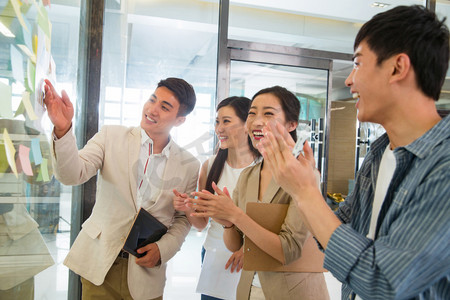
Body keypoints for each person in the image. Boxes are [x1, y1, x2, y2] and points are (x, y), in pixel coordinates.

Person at [257, 5, 450, 300]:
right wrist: (301, 186)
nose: (349, 81)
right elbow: (339, 229)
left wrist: (306, 193)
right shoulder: (379, 152)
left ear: (398, 67)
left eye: (358, 64)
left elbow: (383, 282)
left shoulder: (444, 164)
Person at [43, 77, 200, 300]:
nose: (152, 110)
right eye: (152, 100)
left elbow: (183, 219)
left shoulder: (189, 165)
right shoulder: (111, 136)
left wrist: (163, 249)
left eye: (165, 107)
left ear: (180, 120)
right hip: (101, 265)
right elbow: (72, 174)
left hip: (146, 271)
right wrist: (63, 128)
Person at [188, 86, 329, 300]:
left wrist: (235, 215)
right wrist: (226, 220)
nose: (256, 120)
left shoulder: (304, 175)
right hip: (247, 289)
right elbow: (237, 244)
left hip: (291, 293)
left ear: (292, 124)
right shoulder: (249, 175)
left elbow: (287, 250)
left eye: (268, 113)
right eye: (252, 113)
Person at [173, 96, 259, 300]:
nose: (219, 128)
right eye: (217, 122)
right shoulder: (210, 166)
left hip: (253, 260)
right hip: (214, 256)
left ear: (247, 124)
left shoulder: (264, 168)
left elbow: (274, 223)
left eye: (226, 121)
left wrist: (251, 250)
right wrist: (187, 207)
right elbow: (201, 223)